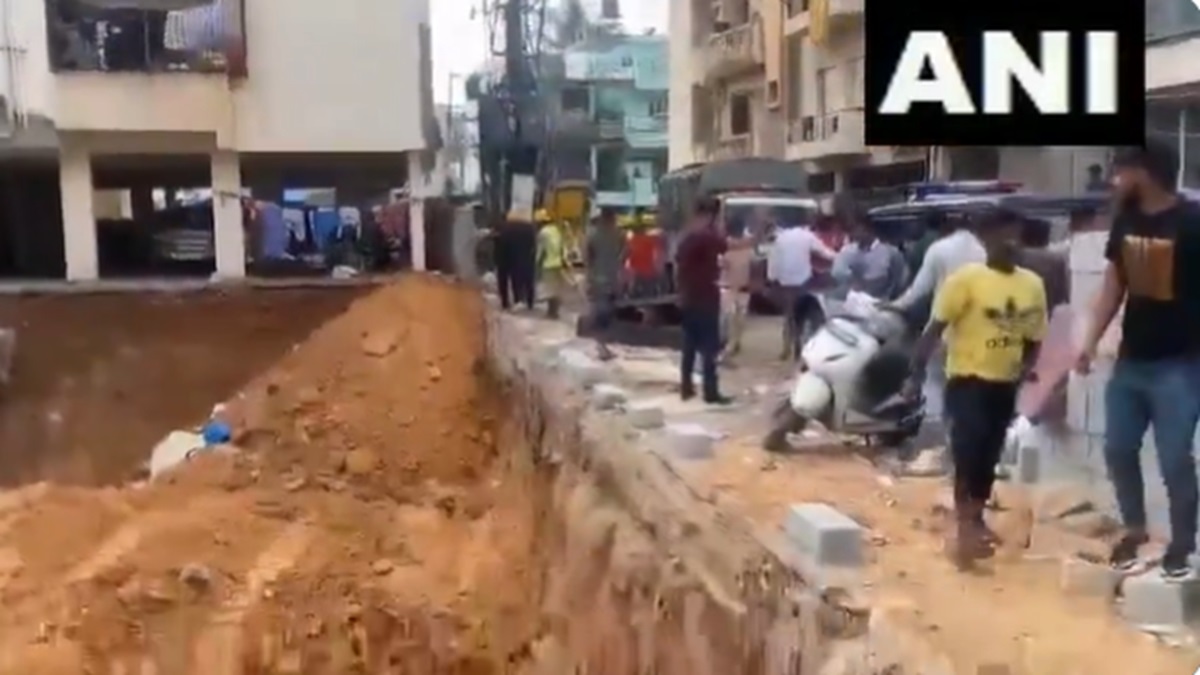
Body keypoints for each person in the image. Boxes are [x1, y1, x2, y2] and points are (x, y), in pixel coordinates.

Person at [1076, 142, 1200, 581]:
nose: (1113, 180)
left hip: (1180, 364)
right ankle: (1134, 529)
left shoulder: (1191, 221)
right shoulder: (1126, 221)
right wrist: (1089, 342)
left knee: (1173, 458)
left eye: (1119, 170)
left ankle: (1183, 543)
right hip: (1131, 362)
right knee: (1117, 448)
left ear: (1143, 171)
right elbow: (1114, 286)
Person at [903, 207, 1047, 568]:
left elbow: (1034, 336)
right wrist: (915, 374)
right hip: (967, 379)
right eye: (1005, 236)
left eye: (1017, 236)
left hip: (1004, 383)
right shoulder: (966, 280)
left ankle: (975, 516)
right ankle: (966, 530)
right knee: (969, 447)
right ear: (986, 239)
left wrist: (1026, 367)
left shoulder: (1032, 284)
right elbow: (934, 330)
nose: (1013, 244)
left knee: (989, 454)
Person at [676, 197, 745, 404]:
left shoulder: (686, 237)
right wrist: (759, 235)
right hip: (705, 298)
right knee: (709, 347)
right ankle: (710, 392)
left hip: (688, 297)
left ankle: (686, 387)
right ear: (711, 215)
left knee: (689, 345)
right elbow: (731, 244)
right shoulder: (705, 236)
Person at [767, 220, 838, 360]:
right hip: (803, 280)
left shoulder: (779, 239)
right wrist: (840, 257)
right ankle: (801, 345)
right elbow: (824, 252)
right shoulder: (807, 236)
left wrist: (772, 278)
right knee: (802, 314)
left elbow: (774, 261)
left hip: (785, 282)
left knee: (789, 316)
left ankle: (787, 347)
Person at [719, 206, 766, 364]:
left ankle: (733, 346)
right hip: (727, 288)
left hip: (743, 290)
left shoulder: (747, 247)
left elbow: (755, 264)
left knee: (740, 321)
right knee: (729, 318)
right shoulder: (723, 246)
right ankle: (728, 347)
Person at [831, 214, 909, 300]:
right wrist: (851, 281)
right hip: (851, 304)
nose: (853, 233)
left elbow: (900, 281)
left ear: (867, 229)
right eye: (850, 229)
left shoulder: (891, 253)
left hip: (882, 303)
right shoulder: (847, 251)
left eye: (855, 228)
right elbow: (837, 274)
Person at [585, 207, 627, 360]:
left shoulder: (593, 235)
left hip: (598, 278)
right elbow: (624, 254)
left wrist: (589, 278)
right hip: (613, 279)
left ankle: (601, 344)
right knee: (608, 314)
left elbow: (588, 258)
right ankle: (603, 346)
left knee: (600, 313)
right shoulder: (620, 234)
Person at [535, 209, 568, 318]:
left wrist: (536, 263)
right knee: (556, 289)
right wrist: (564, 260)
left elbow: (541, 250)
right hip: (558, 263)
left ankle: (551, 312)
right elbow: (562, 246)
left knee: (549, 289)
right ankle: (555, 311)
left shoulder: (543, 233)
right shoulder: (555, 230)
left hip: (548, 264)